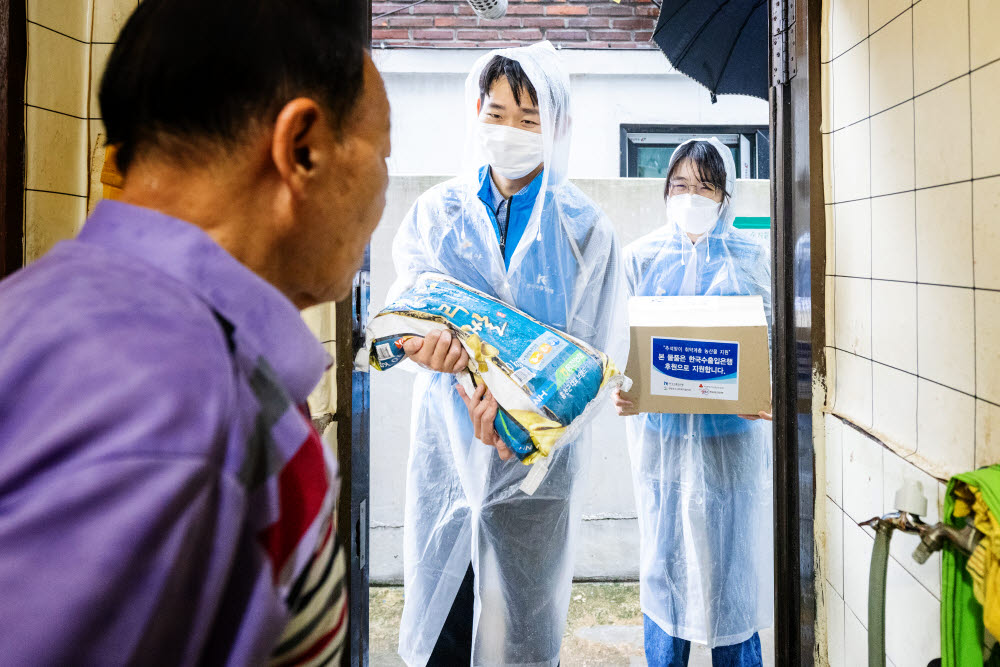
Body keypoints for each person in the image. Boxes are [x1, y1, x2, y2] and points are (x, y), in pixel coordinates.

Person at [0, 1, 390, 664]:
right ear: (304, 148)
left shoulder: (53, 305)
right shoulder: (171, 397)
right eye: (383, 150)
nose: (383, 186)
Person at [388, 42, 627, 667]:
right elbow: (402, 316)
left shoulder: (584, 231)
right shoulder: (436, 215)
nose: (510, 132)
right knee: (446, 617)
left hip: (532, 475)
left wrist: (524, 427)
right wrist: (426, 351)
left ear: (560, 127)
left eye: (529, 119)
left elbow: (591, 365)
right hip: (446, 458)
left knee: (520, 632)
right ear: (477, 111)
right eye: (497, 114)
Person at [612, 138, 773, 667]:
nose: (691, 195)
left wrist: (763, 392)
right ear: (665, 192)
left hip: (730, 443)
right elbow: (620, 353)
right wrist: (624, 390)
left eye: (704, 186)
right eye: (679, 185)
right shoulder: (640, 258)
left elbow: (769, 350)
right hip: (661, 444)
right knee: (665, 567)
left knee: (732, 574)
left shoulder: (752, 260)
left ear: (725, 197)